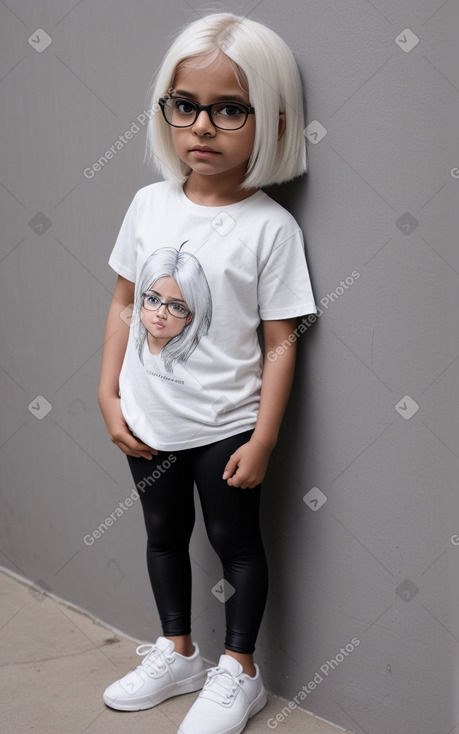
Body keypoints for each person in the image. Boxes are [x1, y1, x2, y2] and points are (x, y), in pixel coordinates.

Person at [98, 12, 317, 734]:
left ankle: (239, 671)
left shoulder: (269, 228)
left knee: (236, 545)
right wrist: (108, 391)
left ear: (272, 120)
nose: (201, 127)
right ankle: (177, 650)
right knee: (162, 537)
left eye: (228, 109)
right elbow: (126, 300)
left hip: (225, 427)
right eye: (184, 105)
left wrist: (263, 438)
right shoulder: (147, 205)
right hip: (149, 419)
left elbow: (282, 341)